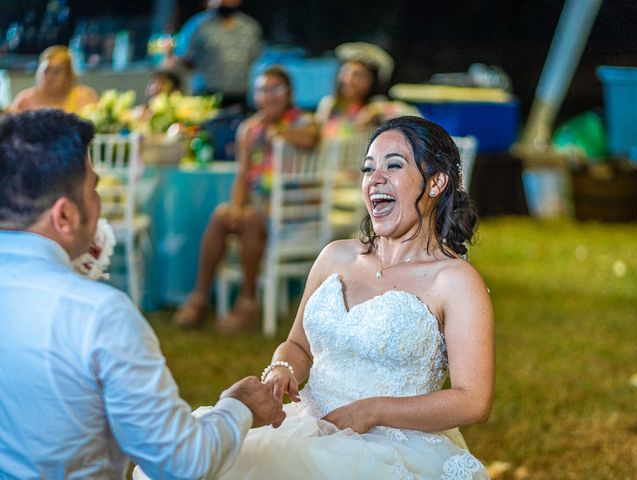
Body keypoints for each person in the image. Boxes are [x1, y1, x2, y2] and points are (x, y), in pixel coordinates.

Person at [0, 109, 285, 479]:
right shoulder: (98, 314)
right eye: (94, 190)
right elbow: (181, 463)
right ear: (65, 216)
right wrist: (238, 407)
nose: (98, 202)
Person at [219, 116, 495, 478]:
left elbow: (473, 400)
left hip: (393, 450)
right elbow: (298, 345)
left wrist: (372, 411)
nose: (375, 178)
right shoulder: (334, 257)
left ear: (436, 182)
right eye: (368, 168)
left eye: (393, 165)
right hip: (307, 429)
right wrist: (283, 370)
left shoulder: (455, 282)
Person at [174, 65, 320, 331]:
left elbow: (311, 138)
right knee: (223, 214)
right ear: (255, 95)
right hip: (259, 203)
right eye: (263, 89)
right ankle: (200, 297)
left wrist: (280, 133)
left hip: (294, 208)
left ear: (289, 93)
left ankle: (247, 301)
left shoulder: (302, 120)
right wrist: (236, 207)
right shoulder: (249, 129)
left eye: (277, 89)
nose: (270, 95)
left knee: (252, 218)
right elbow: (243, 175)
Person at [167, 0, 263, 106]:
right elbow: (182, 58)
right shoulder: (197, 26)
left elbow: (256, 60)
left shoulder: (250, 27)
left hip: (239, 99)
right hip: (205, 97)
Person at [9, 45, 98, 114]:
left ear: (68, 75)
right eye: (46, 71)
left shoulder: (86, 96)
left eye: (57, 72)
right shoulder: (24, 101)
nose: (49, 77)